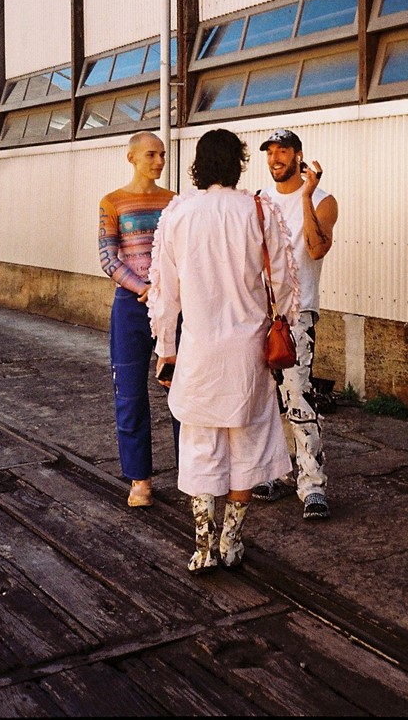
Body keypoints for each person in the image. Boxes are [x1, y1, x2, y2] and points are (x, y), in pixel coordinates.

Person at [147, 128, 299, 573]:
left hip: (199, 352)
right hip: (248, 353)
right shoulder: (257, 209)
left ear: (198, 164)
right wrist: (284, 319)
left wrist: (167, 348)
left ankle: (202, 545)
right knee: (246, 446)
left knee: (200, 446)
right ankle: (232, 541)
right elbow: (285, 281)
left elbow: (164, 293)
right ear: (239, 162)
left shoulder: (179, 213)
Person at [254, 128, 338, 520]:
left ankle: (313, 484)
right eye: (270, 152)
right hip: (258, 314)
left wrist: (304, 195)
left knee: (299, 397)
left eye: (283, 151)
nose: (275, 158)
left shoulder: (323, 201)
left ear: (299, 156)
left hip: (297, 314)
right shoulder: (258, 202)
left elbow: (317, 248)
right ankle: (277, 472)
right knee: (266, 402)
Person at [98, 130, 180, 509]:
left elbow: (184, 252)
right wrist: (143, 288)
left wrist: (164, 289)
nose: (159, 161)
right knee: (130, 393)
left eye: (161, 154)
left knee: (181, 391)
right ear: (131, 157)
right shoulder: (112, 202)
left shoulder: (175, 202)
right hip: (131, 307)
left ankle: (191, 473)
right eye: (151, 154)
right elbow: (108, 258)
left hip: (172, 305)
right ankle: (140, 479)